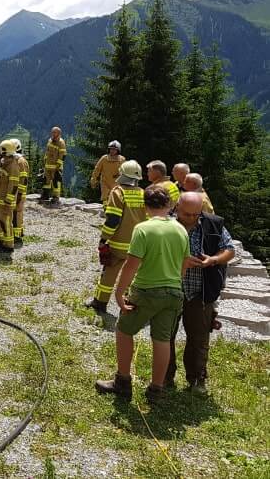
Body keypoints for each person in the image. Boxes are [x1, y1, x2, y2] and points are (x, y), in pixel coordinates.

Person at [95, 186, 189, 402]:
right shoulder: (180, 229)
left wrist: (119, 293)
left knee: (124, 330)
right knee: (162, 339)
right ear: (169, 205)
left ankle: (122, 382)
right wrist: (175, 283)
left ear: (146, 207)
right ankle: (156, 389)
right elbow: (184, 263)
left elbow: (131, 265)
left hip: (146, 290)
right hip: (174, 292)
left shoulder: (143, 229)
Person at [165, 192, 234, 393]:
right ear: (177, 207)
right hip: (170, 288)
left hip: (201, 292)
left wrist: (213, 260)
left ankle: (197, 379)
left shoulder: (213, 224)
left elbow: (229, 249)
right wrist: (180, 261)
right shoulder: (164, 223)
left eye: (196, 214)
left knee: (199, 338)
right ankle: (165, 377)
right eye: (187, 214)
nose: (192, 218)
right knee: (165, 335)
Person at [85, 160, 147, 313]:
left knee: (109, 273)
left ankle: (100, 302)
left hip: (119, 244)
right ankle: (130, 304)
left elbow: (113, 220)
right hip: (138, 245)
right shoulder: (143, 193)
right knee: (133, 275)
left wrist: (103, 238)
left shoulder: (118, 192)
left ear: (122, 174)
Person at [0, 139, 21, 253]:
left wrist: (9, 199)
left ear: (5, 152)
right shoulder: (4, 163)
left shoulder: (13, 166)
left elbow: (14, 185)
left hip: (6, 201)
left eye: (0, 151)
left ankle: (8, 245)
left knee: (5, 222)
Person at [90, 141, 126, 206]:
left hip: (116, 182)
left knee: (116, 197)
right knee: (105, 197)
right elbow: (97, 169)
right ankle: (105, 208)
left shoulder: (122, 159)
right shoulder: (104, 158)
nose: (112, 151)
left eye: (114, 149)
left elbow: (125, 171)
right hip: (105, 182)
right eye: (111, 149)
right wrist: (93, 180)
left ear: (118, 150)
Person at [40, 126, 67, 204]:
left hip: (56, 167)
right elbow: (47, 152)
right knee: (46, 180)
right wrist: (45, 160)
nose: (53, 134)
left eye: (54, 132)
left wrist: (58, 165)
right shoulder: (50, 140)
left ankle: (56, 197)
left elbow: (63, 155)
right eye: (52, 132)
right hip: (48, 165)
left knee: (56, 181)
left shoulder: (61, 143)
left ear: (59, 133)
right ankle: (45, 195)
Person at [11, 138, 30, 246]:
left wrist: (20, 194)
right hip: (15, 192)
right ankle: (19, 232)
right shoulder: (15, 159)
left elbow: (23, 179)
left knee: (17, 212)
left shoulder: (21, 161)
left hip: (19, 192)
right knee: (15, 212)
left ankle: (17, 236)